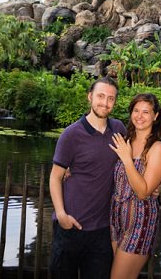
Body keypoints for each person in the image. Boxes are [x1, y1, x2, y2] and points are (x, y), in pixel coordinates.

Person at [49, 77, 126, 279]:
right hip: (70, 227)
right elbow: (55, 177)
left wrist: (155, 183)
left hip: (102, 231)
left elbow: (136, 160)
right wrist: (61, 215)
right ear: (90, 97)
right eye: (100, 96)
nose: (105, 103)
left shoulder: (119, 130)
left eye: (111, 98)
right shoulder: (71, 135)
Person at [109, 93, 161, 279]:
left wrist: (127, 159)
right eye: (136, 111)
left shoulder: (157, 148)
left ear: (155, 116)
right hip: (116, 219)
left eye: (146, 112)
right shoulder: (124, 140)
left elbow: (143, 192)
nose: (140, 116)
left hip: (140, 222)